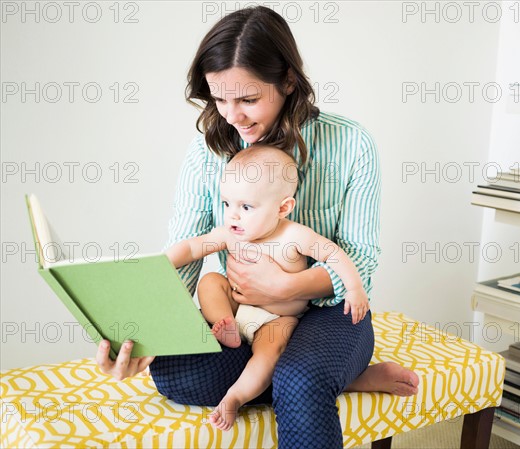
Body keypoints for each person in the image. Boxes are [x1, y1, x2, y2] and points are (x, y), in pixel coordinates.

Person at [95, 6, 420, 448]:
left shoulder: (352, 144)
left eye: (248, 99)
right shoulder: (206, 151)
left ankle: (312, 375)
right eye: (218, 98)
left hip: (329, 313)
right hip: (246, 316)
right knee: (174, 371)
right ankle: (346, 378)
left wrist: (287, 288)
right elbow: (187, 253)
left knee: (300, 377)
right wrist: (143, 329)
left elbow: (359, 259)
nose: (233, 115)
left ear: (288, 81)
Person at [165, 144, 370, 430]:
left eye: (246, 207)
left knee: (268, 353)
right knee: (211, 282)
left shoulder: (294, 235)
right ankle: (223, 324)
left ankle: (235, 397)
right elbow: (191, 247)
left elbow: (334, 254)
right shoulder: (230, 234)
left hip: (276, 320)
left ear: (283, 207)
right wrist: (161, 264)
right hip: (238, 308)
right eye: (227, 204)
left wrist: (354, 288)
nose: (233, 215)